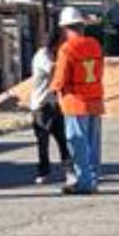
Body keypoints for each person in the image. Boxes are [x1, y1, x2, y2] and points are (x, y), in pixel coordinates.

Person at [51, 4, 105, 195]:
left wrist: (54, 91)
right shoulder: (95, 44)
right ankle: (93, 178)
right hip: (95, 100)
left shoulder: (67, 48)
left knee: (77, 142)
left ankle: (84, 182)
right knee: (93, 143)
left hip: (75, 102)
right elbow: (100, 71)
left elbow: (60, 77)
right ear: (82, 26)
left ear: (65, 28)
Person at [27, 30, 68, 186]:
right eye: (61, 42)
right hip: (41, 105)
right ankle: (43, 172)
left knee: (63, 139)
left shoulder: (54, 54)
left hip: (54, 104)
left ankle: (69, 170)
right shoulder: (42, 56)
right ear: (55, 43)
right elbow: (53, 69)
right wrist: (67, 60)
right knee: (43, 142)